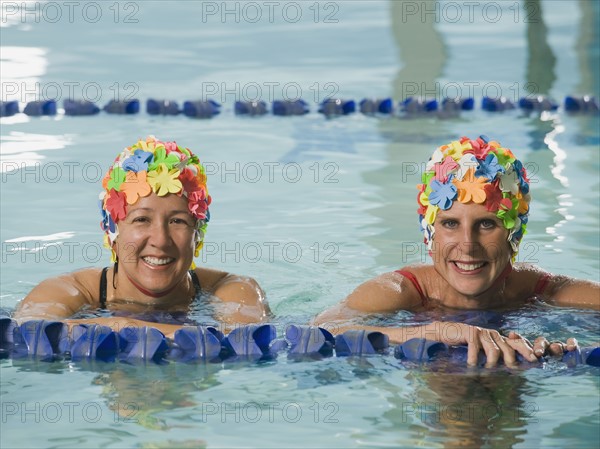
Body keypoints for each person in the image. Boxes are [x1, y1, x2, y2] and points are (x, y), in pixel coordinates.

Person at [314, 135, 599, 366]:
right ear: (431, 233)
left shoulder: (544, 291)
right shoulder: (401, 290)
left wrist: (572, 347)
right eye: (450, 223)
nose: (467, 244)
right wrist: (431, 332)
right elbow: (321, 331)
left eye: (486, 224)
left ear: (513, 232)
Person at [15, 136, 270, 338]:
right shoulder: (69, 290)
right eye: (141, 219)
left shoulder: (232, 289)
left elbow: (244, 339)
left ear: (197, 232)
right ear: (112, 230)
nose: (160, 240)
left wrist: (119, 326)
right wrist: (124, 325)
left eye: (177, 221)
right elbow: (30, 331)